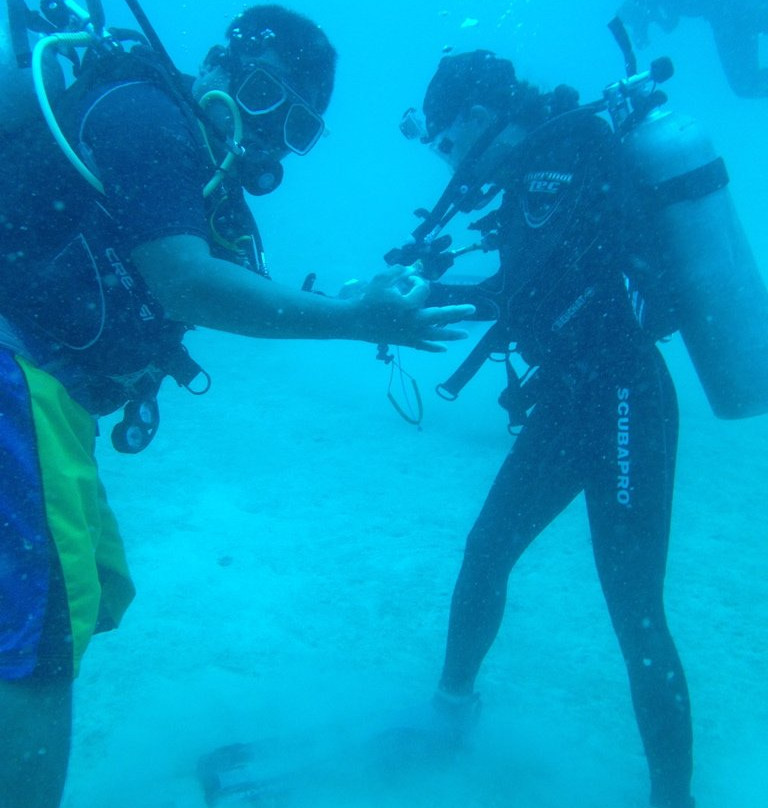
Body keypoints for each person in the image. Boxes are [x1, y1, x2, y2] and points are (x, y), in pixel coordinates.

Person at [0, 6, 473, 808]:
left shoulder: (194, 173)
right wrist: (356, 322)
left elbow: (244, 288)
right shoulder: (147, 114)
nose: (263, 134)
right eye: (261, 94)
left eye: (294, 128)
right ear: (218, 67)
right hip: (19, 378)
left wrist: (354, 299)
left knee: (88, 595)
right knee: (39, 633)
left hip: (48, 399)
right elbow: (185, 281)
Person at [398, 51, 695, 808]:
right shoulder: (542, 165)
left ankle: (673, 797)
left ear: (473, 118)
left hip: (624, 394)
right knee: (487, 548)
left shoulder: (563, 155)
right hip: (572, 396)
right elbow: (530, 292)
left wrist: (429, 296)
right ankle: (449, 717)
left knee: (634, 607)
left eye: (446, 143)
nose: (452, 163)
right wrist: (433, 292)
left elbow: (527, 293)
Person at [617, 0, 768, 98]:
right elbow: (670, 23)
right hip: (728, 15)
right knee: (746, 84)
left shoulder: (646, 6)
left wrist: (648, 19)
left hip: (728, 16)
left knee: (746, 84)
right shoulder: (652, 6)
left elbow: (668, 24)